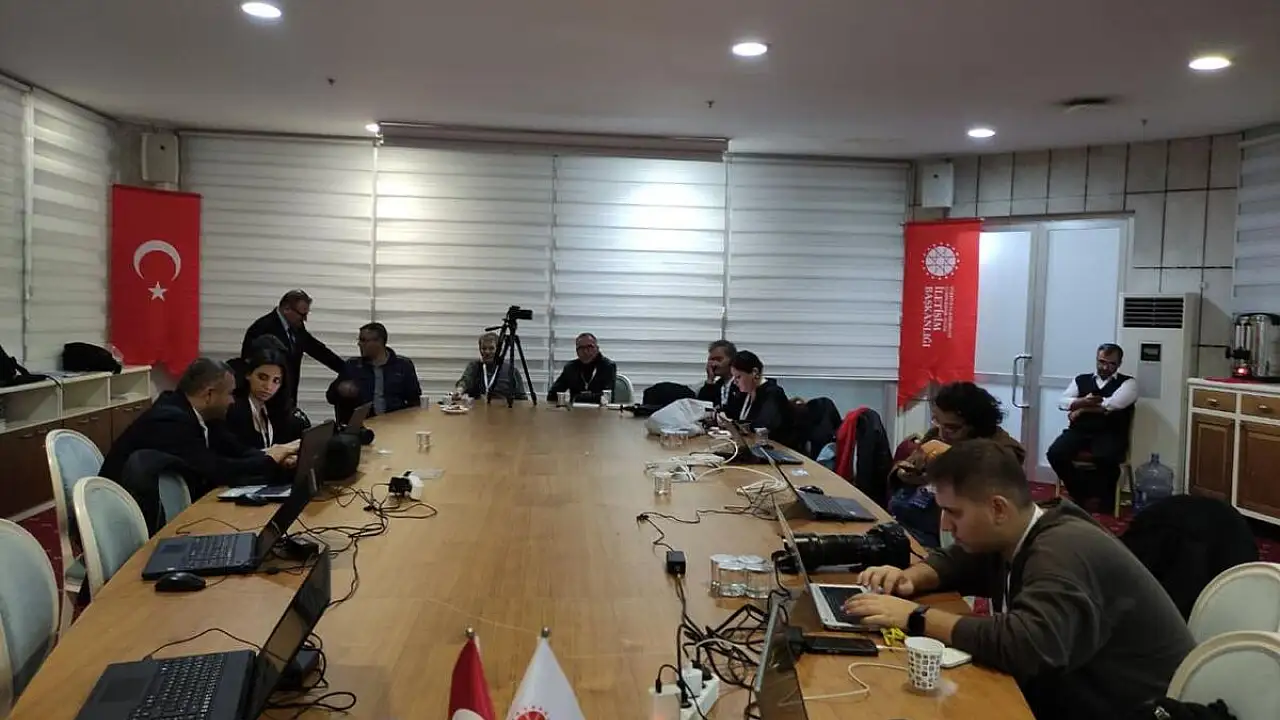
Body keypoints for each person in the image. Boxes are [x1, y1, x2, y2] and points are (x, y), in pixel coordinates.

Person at [844, 439, 1194, 720]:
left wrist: (915, 616)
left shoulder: (1061, 550)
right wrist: (908, 579)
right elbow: (961, 561)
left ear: (998, 508)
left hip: (1133, 709)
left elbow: (1027, 646)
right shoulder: (1024, 529)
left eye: (954, 512)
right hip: (1078, 694)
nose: (947, 525)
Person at [100, 358, 298, 493]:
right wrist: (271, 458)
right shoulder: (170, 421)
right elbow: (215, 469)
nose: (232, 401)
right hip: (126, 515)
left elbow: (237, 451)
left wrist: (279, 454)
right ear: (208, 394)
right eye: (230, 394)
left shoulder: (203, 415)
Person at [888, 381, 1025, 548]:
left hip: (943, 534)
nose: (942, 433)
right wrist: (906, 474)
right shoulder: (937, 434)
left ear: (976, 425)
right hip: (905, 516)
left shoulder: (1004, 449)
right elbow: (906, 467)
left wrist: (950, 456)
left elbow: (986, 479)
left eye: (952, 428)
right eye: (937, 421)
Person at [1046, 343, 1137, 509]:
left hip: (1110, 431)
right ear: (1096, 359)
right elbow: (1062, 402)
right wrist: (1082, 401)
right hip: (1079, 431)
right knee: (1055, 453)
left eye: (1111, 363)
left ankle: (1102, 499)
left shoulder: (1128, 383)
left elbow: (1113, 404)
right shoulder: (1081, 379)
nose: (1105, 367)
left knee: (1106, 456)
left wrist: (1081, 409)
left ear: (1119, 364)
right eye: (1102, 362)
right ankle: (1082, 495)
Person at [240, 289, 347, 413]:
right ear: (286, 309)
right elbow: (249, 365)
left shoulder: (296, 327)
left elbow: (317, 349)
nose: (305, 319)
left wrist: (346, 369)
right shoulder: (262, 328)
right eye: (302, 314)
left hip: (287, 398)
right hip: (267, 399)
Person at [326, 322, 422, 423]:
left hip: (395, 423)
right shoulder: (352, 366)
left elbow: (414, 400)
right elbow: (330, 397)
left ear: (379, 341)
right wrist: (339, 389)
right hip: (362, 425)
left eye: (363, 340)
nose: (359, 344)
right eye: (359, 340)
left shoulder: (403, 365)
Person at [225, 346, 300, 450]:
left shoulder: (276, 410)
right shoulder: (233, 409)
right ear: (248, 375)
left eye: (276, 381)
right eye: (262, 378)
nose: (268, 386)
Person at [721, 351, 795, 446]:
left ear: (754, 372)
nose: (735, 382)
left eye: (738, 377)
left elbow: (762, 426)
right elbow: (733, 415)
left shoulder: (773, 393)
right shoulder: (745, 392)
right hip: (752, 444)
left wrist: (735, 424)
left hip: (777, 448)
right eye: (734, 377)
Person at [454, 332, 526, 402]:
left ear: (499, 350)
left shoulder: (511, 370)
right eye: (484, 348)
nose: (487, 352)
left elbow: (522, 399)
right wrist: (459, 391)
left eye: (491, 348)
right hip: (478, 408)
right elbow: (465, 381)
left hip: (502, 409)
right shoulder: (474, 366)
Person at [547, 332, 617, 403]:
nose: (585, 352)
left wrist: (576, 398)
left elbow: (607, 397)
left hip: (600, 409)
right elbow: (552, 395)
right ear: (576, 351)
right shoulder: (570, 367)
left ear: (597, 348)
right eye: (581, 348)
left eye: (590, 347)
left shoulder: (608, 366)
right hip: (575, 409)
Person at [696, 339, 742, 410]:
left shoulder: (741, 385)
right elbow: (701, 407)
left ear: (732, 360)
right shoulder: (716, 386)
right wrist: (710, 379)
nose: (714, 364)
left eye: (718, 359)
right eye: (711, 360)